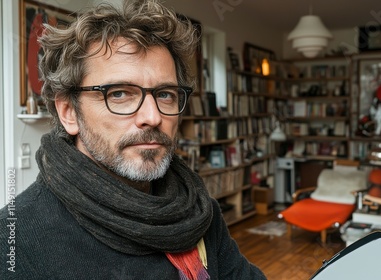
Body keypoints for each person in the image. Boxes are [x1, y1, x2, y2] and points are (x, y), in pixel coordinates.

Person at [0, 0, 266, 279]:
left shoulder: (196, 209)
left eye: (165, 94)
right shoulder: (15, 243)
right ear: (69, 112)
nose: (152, 117)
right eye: (119, 93)